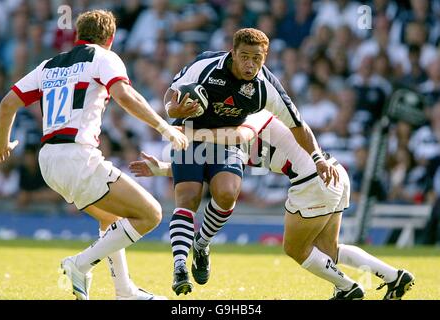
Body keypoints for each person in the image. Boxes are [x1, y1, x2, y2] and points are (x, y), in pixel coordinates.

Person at [0, 10, 188, 300]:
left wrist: (1, 145)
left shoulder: (48, 65)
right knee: (150, 214)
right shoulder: (103, 57)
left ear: (77, 36)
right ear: (110, 38)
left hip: (50, 160)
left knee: (110, 220)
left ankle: (124, 291)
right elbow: (123, 95)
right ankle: (79, 264)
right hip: (77, 155)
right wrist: (164, 128)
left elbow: (8, 103)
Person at [130, 109, 415, 300]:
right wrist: (164, 169)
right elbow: (208, 167)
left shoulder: (255, 115)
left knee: (294, 249)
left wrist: (190, 133)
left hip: (311, 181)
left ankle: (347, 288)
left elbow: (238, 135)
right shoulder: (233, 138)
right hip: (334, 172)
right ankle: (395, 277)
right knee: (329, 250)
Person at [163, 27, 339, 295]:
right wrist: (172, 109)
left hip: (228, 140)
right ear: (232, 53)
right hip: (189, 133)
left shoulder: (266, 87)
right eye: (244, 56)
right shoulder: (206, 65)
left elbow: (298, 124)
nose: (250, 64)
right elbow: (171, 94)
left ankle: (201, 245)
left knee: (227, 194)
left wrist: (318, 158)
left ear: (264, 57)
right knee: (188, 197)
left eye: (257, 58)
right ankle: (178, 268)